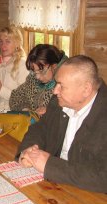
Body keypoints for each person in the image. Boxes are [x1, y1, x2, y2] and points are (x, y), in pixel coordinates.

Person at [18, 55, 107, 193]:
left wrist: (50, 165)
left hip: (90, 198)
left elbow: (102, 178)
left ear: (86, 89)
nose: (55, 91)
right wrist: (28, 151)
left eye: (61, 86)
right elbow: (40, 128)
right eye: (56, 84)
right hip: (55, 186)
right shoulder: (59, 101)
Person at [9, 44, 67, 116]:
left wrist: (49, 110)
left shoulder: (65, 82)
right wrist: (26, 109)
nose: (37, 77)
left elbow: (71, 109)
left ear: (54, 66)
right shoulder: (33, 78)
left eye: (41, 71)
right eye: (34, 71)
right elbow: (15, 96)